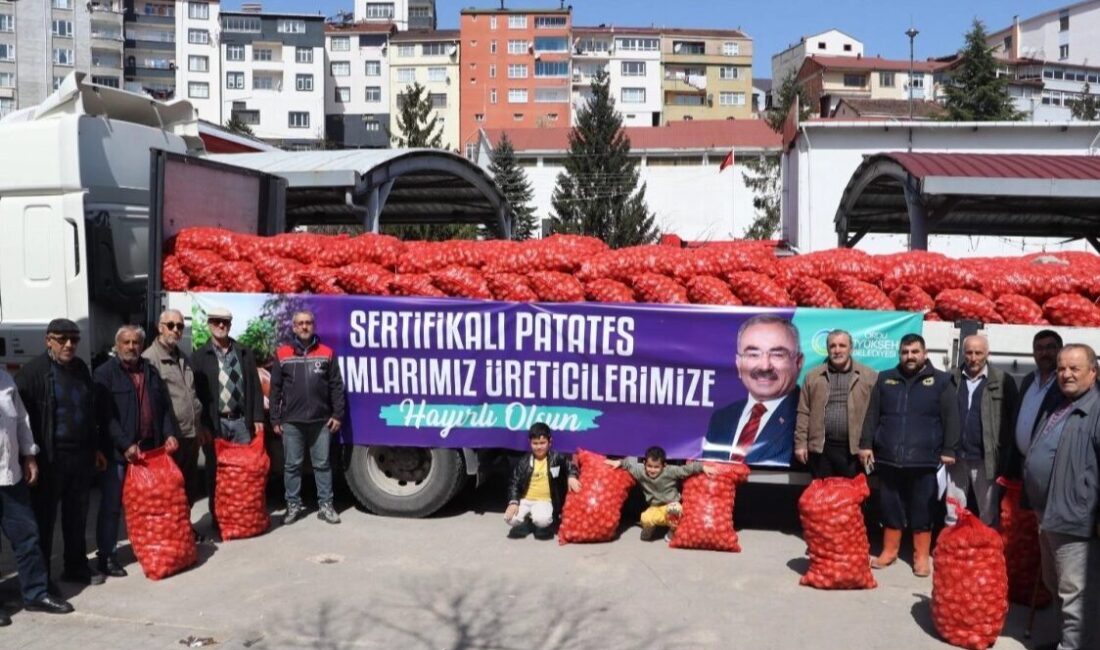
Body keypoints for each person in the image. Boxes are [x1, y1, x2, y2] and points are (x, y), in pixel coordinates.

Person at [860, 333, 960, 578]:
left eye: (915, 352)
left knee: (922, 510)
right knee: (889, 506)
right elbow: (872, 414)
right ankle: (889, 551)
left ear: (924, 353)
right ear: (899, 354)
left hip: (925, 459)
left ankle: (921, 557)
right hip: (889, 457)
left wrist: (949, 449)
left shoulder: (942, 381)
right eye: (905, 352)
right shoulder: (885, 380)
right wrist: (866, 444)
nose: (910, 357)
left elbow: (951, 417)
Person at [15, 318, 104, 587]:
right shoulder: (32, 373)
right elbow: (22, 421)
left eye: (74, 339)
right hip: (50, 458)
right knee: (44, 521)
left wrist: (96, 447)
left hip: (80, 456)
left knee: (76, 516)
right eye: (62, 339)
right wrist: (29, 459)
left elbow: (89, 412)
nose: (69, 345)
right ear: (48, 340)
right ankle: (42, 579)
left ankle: (76, 566)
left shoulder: (79, 369)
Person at [1023, 344, 1100, 650]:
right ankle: (1066, 641)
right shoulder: (1060, 402)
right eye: (1061, 369)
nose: (1066, 374)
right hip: (1049, 513)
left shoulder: (1096, 409)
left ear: (1093, 373)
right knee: (1055, 585)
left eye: (1074, 369)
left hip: (1077, 519)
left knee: (1075, 593)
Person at [93, 325, 180, 579]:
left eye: (135, 343)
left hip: (149, 454)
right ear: (117, 345)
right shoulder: (104, 374)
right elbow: (105, 417)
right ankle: (106, 556)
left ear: (142, 345)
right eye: (126, 342)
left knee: (150, 506)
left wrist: (169, 434)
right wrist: (124, 444)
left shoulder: (150, 371)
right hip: (120, 454)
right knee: (112, 506)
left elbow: (162, 409)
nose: (131, 347)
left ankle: (151, 546)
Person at [0, 367, 75, 624]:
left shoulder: (5, 378)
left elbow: (21, 420)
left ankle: (35, 594)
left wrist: (30, 455)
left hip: (10, 476)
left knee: (28, 536)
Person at [191, 307, 264, 539]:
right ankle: (218, 517)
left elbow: (253, 386)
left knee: (244, 473)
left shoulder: (243, 352)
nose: (221, 325)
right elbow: (197, 395)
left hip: (241, 421)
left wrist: (259, 418)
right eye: (216, 321)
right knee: (215, 472)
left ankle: (243, 516)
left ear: (230, 325)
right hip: (216, 424)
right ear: (209, 324)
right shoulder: (200, 356)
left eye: (225, 322)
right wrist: (202, 425)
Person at [270, 310, 346, 526]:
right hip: (291, 422)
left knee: (322, 465)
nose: (304, 327)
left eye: (308, 323)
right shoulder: (282, 354)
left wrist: (338, 414)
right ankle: (293, 506)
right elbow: (275, 389)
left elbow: (336, 386)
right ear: (293, 327)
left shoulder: (327, 353)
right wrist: (275, 419)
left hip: (321, 422)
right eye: (300, 323)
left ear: (314, 326)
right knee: (292, 466)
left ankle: (326, 506)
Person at [702, 314, 804, 465]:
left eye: (777, 354)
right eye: (753, 354)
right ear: (738, 364)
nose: (764, 366)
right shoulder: (721, 418)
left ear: (798, 363)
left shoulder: (811, 417)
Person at [142, 310, 208, 539]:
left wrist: (199, 428)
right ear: (160, 327)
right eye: (171, 325)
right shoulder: (150, 359)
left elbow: (191, 395)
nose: (176, 330)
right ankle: (173, 531)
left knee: (190, 485)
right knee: (171, 489)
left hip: (190, 433)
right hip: (172, 436)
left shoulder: (182, 356)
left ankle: (184, 526)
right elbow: (153, 403)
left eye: (180, 326)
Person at [945, 334, 1019, 526]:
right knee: (953, 509)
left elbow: (1013, 419)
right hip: (956, 457)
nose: (973, 358)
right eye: (969, 352)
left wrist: (1007, 455)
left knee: (988, 511)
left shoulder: (1003, 381)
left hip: (986, 458)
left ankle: (987, 552)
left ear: (988, 353)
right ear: (963, 354)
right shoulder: (952, 378)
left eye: (979, 353)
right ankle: (952, 549)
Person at [794, 329, 878, 479]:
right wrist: (800, 444)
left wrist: (868, 445)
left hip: (853, 451)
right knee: (822, 497)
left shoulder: (869, 377)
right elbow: (803, 412)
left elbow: (875, 414)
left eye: (842, 345)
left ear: (851, 348)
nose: (837, 350)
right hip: (821, 450)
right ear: (827, 349)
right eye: (832, 346)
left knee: (851, 496)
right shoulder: (813, 377)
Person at [606, 446, 715, 541]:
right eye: (649, 466)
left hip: (670, 507)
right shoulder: (641, 472)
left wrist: (703, 467)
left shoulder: (671, 471)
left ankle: (672, 531)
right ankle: (649, 529)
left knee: (675, 508)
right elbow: (629, 465)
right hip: (655, 508)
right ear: (644, 464)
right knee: (645, 518)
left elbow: (687, 469)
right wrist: (619, 462)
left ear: (664, 465)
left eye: (656, 467)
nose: (652, 470)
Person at [1003, 329, 1063, 481]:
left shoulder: (1064, 383)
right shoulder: (1029, 380)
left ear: (1060, 350)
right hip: (1022, 463)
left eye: (1050, 347)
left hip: (1050, 468)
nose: (1045, 353)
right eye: (1039, 349)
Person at [504, 423, 580, 540]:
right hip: (526, 500)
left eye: (542, 443)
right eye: (535, 443)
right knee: (510, 518)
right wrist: (513, 502)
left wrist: (571, 476)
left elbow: (570, 466)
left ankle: (539, 526)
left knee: (542, 521)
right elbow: (514, 482)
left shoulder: (557, 458)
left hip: (544, 501)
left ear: (550, 442)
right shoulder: (523, 461)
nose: (539, 447)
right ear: (530, 443)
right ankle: (526, 523)